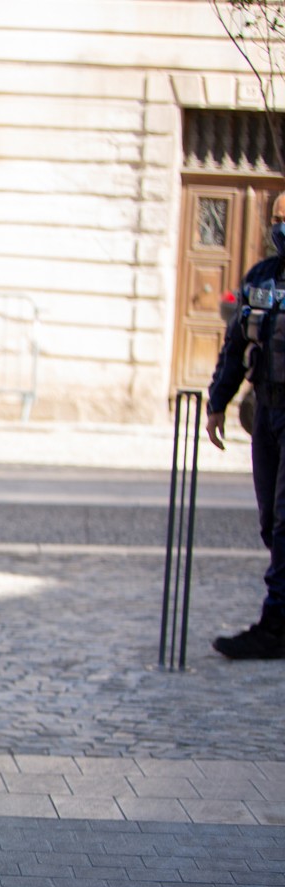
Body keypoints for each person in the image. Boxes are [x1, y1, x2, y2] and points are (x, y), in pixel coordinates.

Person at [206, 193, 285, 659]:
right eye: (278, 219)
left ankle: (276, 626)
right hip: (267, 411)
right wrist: (218, 400)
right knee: (270, 520)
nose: (281, 228)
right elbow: (236, 344)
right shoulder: (260, 277)